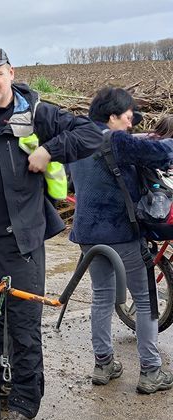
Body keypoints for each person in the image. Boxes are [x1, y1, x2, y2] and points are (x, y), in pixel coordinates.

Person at [0, 47, 102, 420]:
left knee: (23, 327)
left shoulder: (35, 113)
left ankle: (24, 404)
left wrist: (50, 150)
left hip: (21, 243)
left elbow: (90, 133)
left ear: (11, 73)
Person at [69, 88, 173, 394]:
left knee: (102, 296)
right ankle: (151, 371)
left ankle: (104, 364)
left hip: (87, 234)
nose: (130, 125)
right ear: (113, 116)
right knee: (144, 299)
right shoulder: (114, 139)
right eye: (128, 118)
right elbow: (162, 153)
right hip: (120, 234)